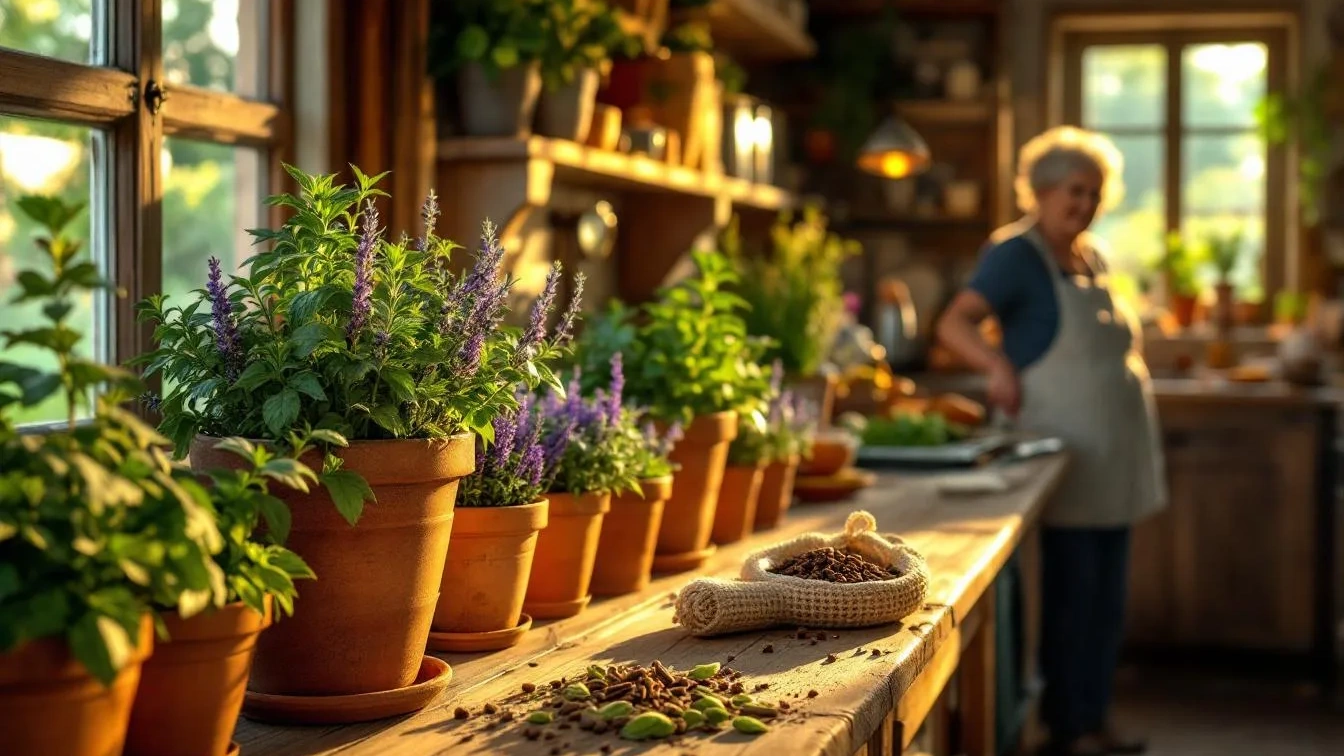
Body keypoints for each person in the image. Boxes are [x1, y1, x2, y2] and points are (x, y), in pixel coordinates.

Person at [936, 126, 1166, 756]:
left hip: (1113, 459)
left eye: (1094, 194)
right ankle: (1067, 729)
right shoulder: (1014, 254)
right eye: (1073, 191)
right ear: (1039, 190)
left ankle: (1094, 718)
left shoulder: (1093, 256)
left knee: (1107, 600)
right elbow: (954, 323)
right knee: (1072, 597)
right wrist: (997, 367)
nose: (1084, 205)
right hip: (1060, 459)